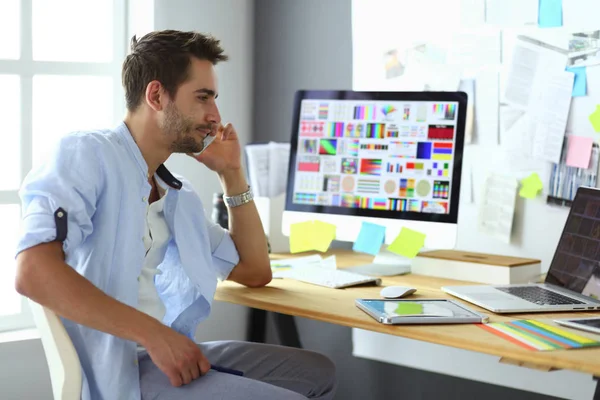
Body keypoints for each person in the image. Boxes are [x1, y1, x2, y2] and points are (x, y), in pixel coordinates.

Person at [14, 30, 337, 400]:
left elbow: (254, 271)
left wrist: (232, 174)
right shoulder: (86, 154)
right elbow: (32, 272)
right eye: (203, 98)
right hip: (120, 369)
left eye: (214, 100)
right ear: (156, 95)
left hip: (159, 354)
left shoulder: (175, 192)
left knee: (316, 371)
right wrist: (154, 334)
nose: (215, 116)